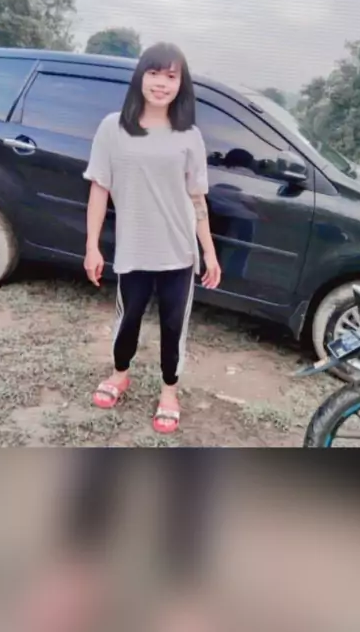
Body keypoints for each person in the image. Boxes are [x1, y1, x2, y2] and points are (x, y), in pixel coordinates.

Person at [83, 42, 221, 433]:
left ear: (181, 83)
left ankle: (169, 392)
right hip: (134, 249)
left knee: (174, 326)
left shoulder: (189, 136)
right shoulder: (113, 128)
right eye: (154, 73)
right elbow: (99, 188)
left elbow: (197, 198)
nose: (161, 83)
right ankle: (119, 374)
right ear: (140, 77)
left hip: (179, 251)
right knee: (127, 319)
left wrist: (209, 252)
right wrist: (92, 245)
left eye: (171, 76)